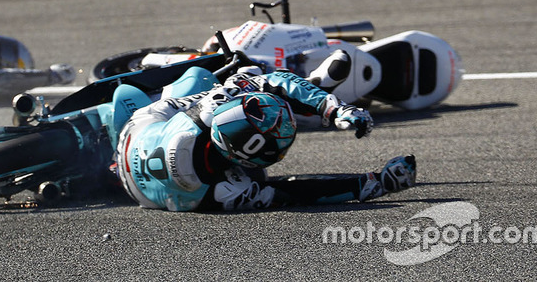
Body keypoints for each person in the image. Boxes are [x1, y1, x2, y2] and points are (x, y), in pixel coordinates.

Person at [115, 64, 416, 211]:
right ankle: (310, 86)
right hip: (144, 193)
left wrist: (371, 185)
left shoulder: (211, 108)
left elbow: (295, 193)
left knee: (207, 79)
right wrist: (334, 109)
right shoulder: (230, 192)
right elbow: (296, 194)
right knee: (224, 76)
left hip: (135, 134)